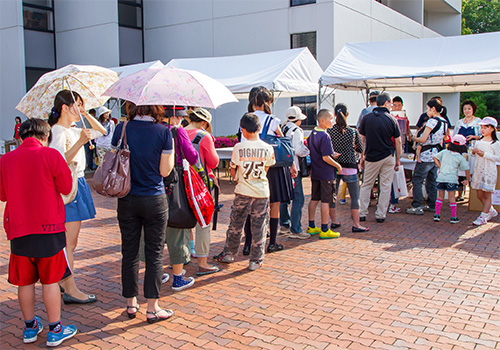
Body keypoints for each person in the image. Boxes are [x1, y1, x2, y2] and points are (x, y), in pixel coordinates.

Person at [0, 119, 78, 347]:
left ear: (21, 137)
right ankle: (55, 329)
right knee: (50, 280)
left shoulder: (5, 160)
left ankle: (29, 327)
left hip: (19, 228)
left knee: (24, 281)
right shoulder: (51, 155)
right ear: (45, 136)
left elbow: (3, 195)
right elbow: (65, 188)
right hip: (48, 228)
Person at [112, 102, 175, 323]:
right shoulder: (164, 132)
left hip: (127, 197)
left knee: (129, 252)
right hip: (154, 199)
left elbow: (115, 156)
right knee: (154, 253)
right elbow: (164, 170)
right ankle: (152, 307)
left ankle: (130, 303)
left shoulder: (122, 128)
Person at [48, 90, 105, 304]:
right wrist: (80, 142)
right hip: (68, 184)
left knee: (71, 242)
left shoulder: (72, 129)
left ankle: (66, 284)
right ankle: (70, 288)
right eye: (77, 104)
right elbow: (58, 161)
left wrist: (87, 114)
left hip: (76, 183)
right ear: (65, 107)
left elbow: (101, 131)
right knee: (68, 243)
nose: (80, 108)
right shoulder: (58, 131)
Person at [213, 113, 275, 270]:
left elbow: (233, 170)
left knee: (236, 224)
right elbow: (266, 169)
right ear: (259, 128)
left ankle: (229, 253)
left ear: (243, 130)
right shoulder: (268, 148)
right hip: (261, 191)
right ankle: (256, 259)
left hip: (243, 190)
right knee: (259, 226)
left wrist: (239, 178)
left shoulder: (239, 147)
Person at [242, 87, 297, 253]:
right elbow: (283, 145)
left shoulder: (245, 119)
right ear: (267, 102)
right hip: (273, 166)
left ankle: (247, 245)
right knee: (274, 204)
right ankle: (272, 242)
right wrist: (292, 165)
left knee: (250, 205)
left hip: (251, 166)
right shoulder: (273, 120)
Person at [161, 106, 202, 286]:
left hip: (153, 185)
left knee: (155, 233)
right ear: (175, 117)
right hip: (174, 183)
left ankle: (156, 273)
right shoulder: (177, 132)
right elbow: (192, 157)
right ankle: (178, 278)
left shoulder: (155, 130)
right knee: (176, 230)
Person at [185, 108, 220, 275]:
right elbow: (213, 162)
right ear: (205, 123)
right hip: (200, 184)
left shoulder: (177, 132)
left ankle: (181, 257)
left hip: (180, 183)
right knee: (203, 221)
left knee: (181, 220)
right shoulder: (204, 136)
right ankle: (202, 262)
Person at [358, 93, 402, 223]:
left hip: (371, 156)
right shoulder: (392, 119)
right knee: (385, 185)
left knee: (367, 185)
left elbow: (361, 138)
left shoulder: (366, 118)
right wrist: (398, 158)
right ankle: (381, 214)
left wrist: (362, 155)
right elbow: (398, 141)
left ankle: (362, 212)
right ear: (387, 103)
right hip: (388, 156)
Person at [327, 104, 369, 232]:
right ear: (347, 114)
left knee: (333, 196)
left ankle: (334, 221)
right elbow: (361, 149)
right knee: (355, 197)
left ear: (334, 115)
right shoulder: (353, 131)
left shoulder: (329, 131)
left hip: (334, 166)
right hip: (350, 166)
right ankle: (356, 224)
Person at [407, 99, 447, 215]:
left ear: (433, 109)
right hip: (436, 154)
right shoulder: (444, 122)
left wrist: (413, 139)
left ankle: (417, 205)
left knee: (417, 180)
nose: (426, 111)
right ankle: (432, 204)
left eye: (428, 108)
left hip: (425, 154)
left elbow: (423, 139)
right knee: (432, 180)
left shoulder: (431, 122)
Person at [307, 109, 342, 238]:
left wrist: (331, 155)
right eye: (331, 119)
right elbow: (326, 157)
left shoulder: (313, 133)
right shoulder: (325, 136)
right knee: (326, 201)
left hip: (315, 171)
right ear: (322, 120)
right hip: (326, 173)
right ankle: (324, 228)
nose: (332, 121)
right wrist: (337, 165)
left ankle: (311, 226)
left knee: (314, 199)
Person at [279, 106, 311, 239]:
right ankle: (296, 229)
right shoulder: (296, 130)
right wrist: (308, 151)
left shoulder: (283, 128)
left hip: (282, 167)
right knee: (298, 198)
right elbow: (298, 150)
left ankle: (284, 225)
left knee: (284, 198)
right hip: (294, 168)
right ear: (298, 119)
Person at [432, 134, 470, 224]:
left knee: (440, 196)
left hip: (441, 178)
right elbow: (466, 168)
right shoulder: (460, 157)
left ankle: (437, 215)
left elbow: (435, 157)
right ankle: (453, 217)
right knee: (452, 198)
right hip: (452, 179)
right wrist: (467, 179)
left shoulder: (444, 152)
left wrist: (440, 167)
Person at [470, 117, 500, 226]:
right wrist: (473, 152)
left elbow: (498, 157)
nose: (483, 130)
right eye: (481, 127)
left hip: (489, 170)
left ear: (492, 128)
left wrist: (485, 155)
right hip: (479, 169)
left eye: (485, 127)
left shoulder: (495, 143)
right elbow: (472, 156)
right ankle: (490, 210)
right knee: (479, 194)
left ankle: (483, 216)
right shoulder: (478, 142)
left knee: (488, 194)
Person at [453, 100, 482, 201]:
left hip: (472, 150)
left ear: (473, 109)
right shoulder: (459, 122)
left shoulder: (478, 121)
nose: (467, 111)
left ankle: (472, 196)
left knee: (471, 171)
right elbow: (454, 136)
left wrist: (474, 136)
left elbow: (482, 135)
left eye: (469, 108)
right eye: (465, 109)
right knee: (460, 171)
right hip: (460, 150)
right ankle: (460, 194)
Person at [388, 96, 411, 214]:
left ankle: (390, 202)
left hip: (399, 148)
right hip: (391, 149)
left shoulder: (404, 118)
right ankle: (391, 202)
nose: (397, 107)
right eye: (394, 105)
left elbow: (406, 132)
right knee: (392, 178)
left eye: (399, 105)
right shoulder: (390, 117)